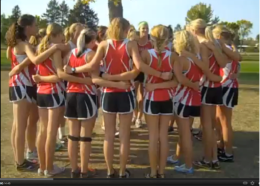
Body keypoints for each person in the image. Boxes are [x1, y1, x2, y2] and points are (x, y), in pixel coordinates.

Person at [64, 17, 172, 178]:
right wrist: (160, 74)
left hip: (109, 93)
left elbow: (93, 66)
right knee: (124, 135)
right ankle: (122, 171)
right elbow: (138, 67)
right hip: (125, 92)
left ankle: (110, 170)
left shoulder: (103, 44)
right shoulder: (131, 44)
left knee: (109, 135)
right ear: (125, 29)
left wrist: (73, 69)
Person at [5, 14, 63, 171]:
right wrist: (54, 47)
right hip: (21, 85)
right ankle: (20, 162)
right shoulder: (22, 44)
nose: (37, 28)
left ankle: (24, 157)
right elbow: (36, 59)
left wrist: (19, 65)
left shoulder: (17, 43)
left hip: (22, 85)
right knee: (20, 125)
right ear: (27, 27)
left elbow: (19, 58)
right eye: (35, 25)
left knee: (20, 125)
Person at [189, 19, 228, 170]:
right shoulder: (215, 44)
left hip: (206, 87)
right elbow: (223, 64)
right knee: (210, 126)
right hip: (216, 88)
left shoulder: (202, 45)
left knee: (207, 127)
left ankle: (209, 159)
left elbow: (205, 67)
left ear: (193, 30)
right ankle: (213, 158)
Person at [142, 25, 177, 178]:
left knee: (153, 137)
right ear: (168, 38)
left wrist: (154, 85)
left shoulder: (145, 54)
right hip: (168, 99)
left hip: (152, 99)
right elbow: (175, 82)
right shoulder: (174, 56)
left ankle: (153, 172)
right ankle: (161, 172)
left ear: (151, 38)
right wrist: (162, 80)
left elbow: (136, 70)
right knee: (163, 137)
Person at [64, 28, 99, 178]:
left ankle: (74, 169)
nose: (96, 43)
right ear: (91, 41)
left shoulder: (70, 53)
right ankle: (84, 171)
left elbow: (65, 72)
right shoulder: (91, 54)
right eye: (95, 40)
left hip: (71, 94)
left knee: (73, 135)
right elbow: (95, 78)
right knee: (85, 136)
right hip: (86, 95)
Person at [34, 23, 68, 176]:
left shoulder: (40, 48)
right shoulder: (54, 50)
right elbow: (58, 76)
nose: (63, 37)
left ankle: (43, 167)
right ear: (58, 34)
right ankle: (49, 168)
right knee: (50, 133)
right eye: (62, 34)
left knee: (42, 131)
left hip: (41, 92)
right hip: (54, 92)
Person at [172, 30, 204, 174]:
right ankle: (176, 156)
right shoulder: (197, 58)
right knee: (185, 132)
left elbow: (180, 79)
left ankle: (189, 165)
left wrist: (191, 84)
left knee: (185, 134)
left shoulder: (181, 59)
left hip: (182, 100)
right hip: (195, 99)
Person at [213, 26, 241, 162]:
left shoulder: (226, 49)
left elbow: (236, 60)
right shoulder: (231, 49)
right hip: (225, 86)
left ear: (219, 37)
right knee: (219, 118)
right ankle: (222, 145)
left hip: (227, 87)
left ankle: (228, 152)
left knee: (225, 121)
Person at [134, 21, 153, 128]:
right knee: (133, 95)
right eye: (143, 28)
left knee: (142, 95)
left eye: (146, 28)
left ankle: (139, 118)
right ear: (139, 29)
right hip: (135, 70)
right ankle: (135, 114)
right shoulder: (135, 42)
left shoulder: (151, 43)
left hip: (146, 71)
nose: (145, 30)